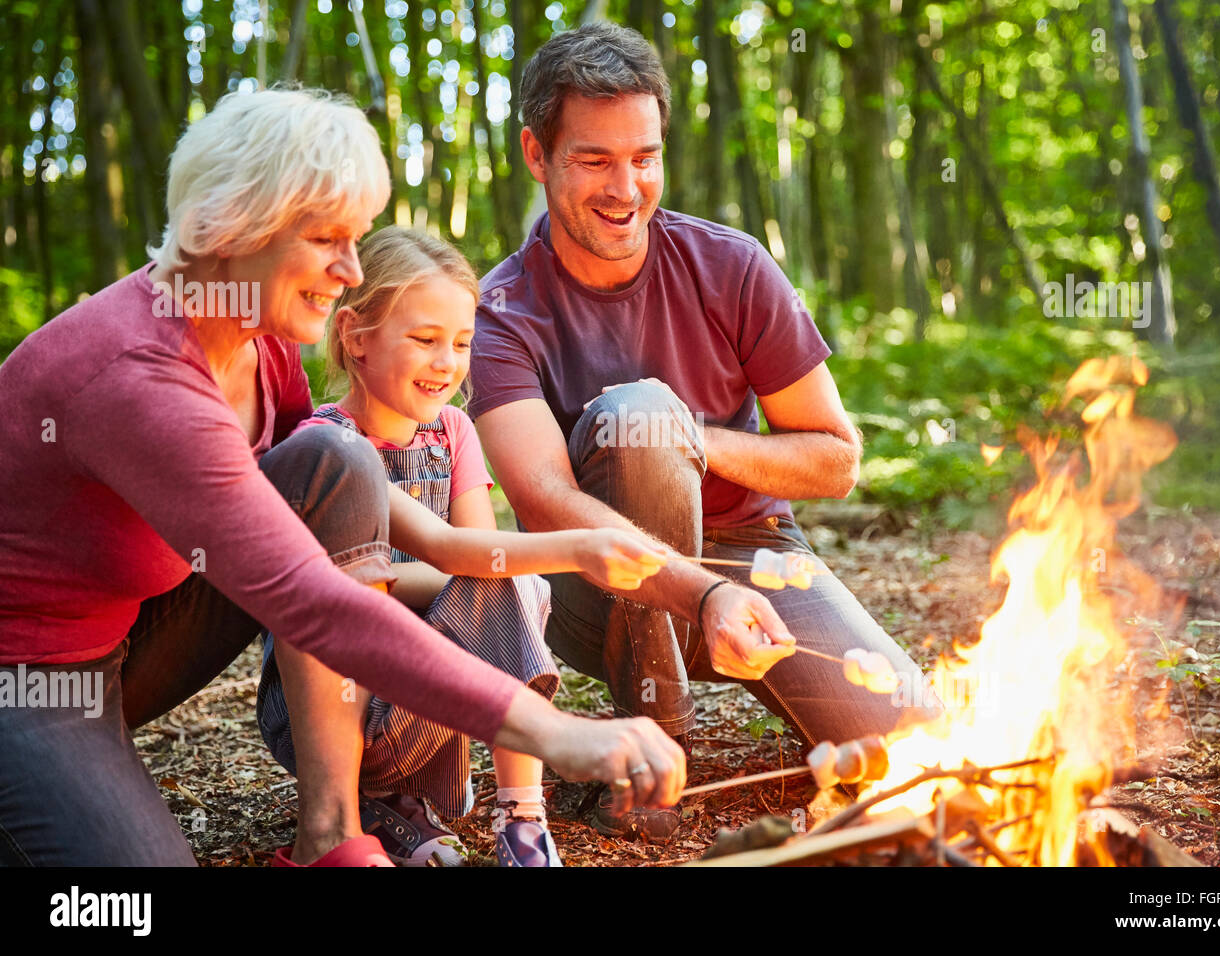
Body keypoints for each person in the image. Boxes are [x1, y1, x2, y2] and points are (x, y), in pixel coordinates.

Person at [0, 87, 683, 867]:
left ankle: (331, 832)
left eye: (355, 239)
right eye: (326, 239)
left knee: (337, 462)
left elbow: (343, 519)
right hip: (28, 675)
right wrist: (562, 734)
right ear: (227, 227)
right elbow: (311, 600)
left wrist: (577, 563)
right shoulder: (139, 377)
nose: (349, 270)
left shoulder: (260, 343)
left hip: (131, 631)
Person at [468, 24, 940, 841]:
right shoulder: (500, 312)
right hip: (593, 584)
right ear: (535, 154)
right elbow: (541, 500)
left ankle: (691, 718)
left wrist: (695, 441)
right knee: (639, 415)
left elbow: (835, 460)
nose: (626, 188)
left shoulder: (731, 264)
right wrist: (694, 571)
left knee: (917, 742)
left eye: (644, 156)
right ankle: (655, 746)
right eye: (594, 160)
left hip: (753, 557)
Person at [259, 226, 666, 867]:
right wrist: (578, 547)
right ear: (356, 338)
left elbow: (477, 553)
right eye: (424, 340)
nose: (447, 361)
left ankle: (519, 817)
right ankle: (372, 802)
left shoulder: (453, 432)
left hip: (431, 697)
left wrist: (491, 570)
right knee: (507, 577)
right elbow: (421, 569)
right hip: (347, 712)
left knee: (511, 579)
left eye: (461, 342)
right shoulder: (329, 446)